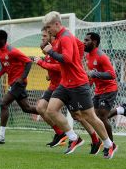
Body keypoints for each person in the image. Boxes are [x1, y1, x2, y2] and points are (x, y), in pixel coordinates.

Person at [42, 11, 117, 158]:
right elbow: (81, 46)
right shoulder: (61, 37)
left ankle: (109, 144)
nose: (47, 30)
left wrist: (51, 52)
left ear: (57, 24)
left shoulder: (65, 38)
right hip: (65, 83)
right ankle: (74, 138)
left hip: (78, 83)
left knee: (89, 117)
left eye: (49, 27)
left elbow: (68, 59)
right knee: (50, 110)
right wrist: (78, 59)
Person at [35, 27, 102, 155]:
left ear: (51, 35)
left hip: (67, 85)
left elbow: (63, 62)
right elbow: (54, 64)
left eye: (44, 36)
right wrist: (48, 72)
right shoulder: (49, 47)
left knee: (78, 115)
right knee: (41, 107)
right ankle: (61, 134)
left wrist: (42, 64)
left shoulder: (60, 44)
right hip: (56, 86)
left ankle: (95, 140)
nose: (42, 39)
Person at [0, 30, 38, 144]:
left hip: (18, 83)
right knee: (27, 108)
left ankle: (1, 136)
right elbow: (6, 66)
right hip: (13, 82)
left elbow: (29, 62)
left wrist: (22, 78)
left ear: (3, 40)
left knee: (3, 103)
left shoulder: (12, 51)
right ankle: (48, 113)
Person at [83, 32, 126, 142]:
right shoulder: (87, 56)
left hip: (109, 89)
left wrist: (93, 74)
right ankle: (121, 110)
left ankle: (110, 144)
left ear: (94, 42)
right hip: (98, 90)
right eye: (84, 40)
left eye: (87, 40)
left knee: (102, 117)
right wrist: (87, 86)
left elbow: (112, 75)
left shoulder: (102, 56)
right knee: (95, 117)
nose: (84, 42)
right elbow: (91, 76)